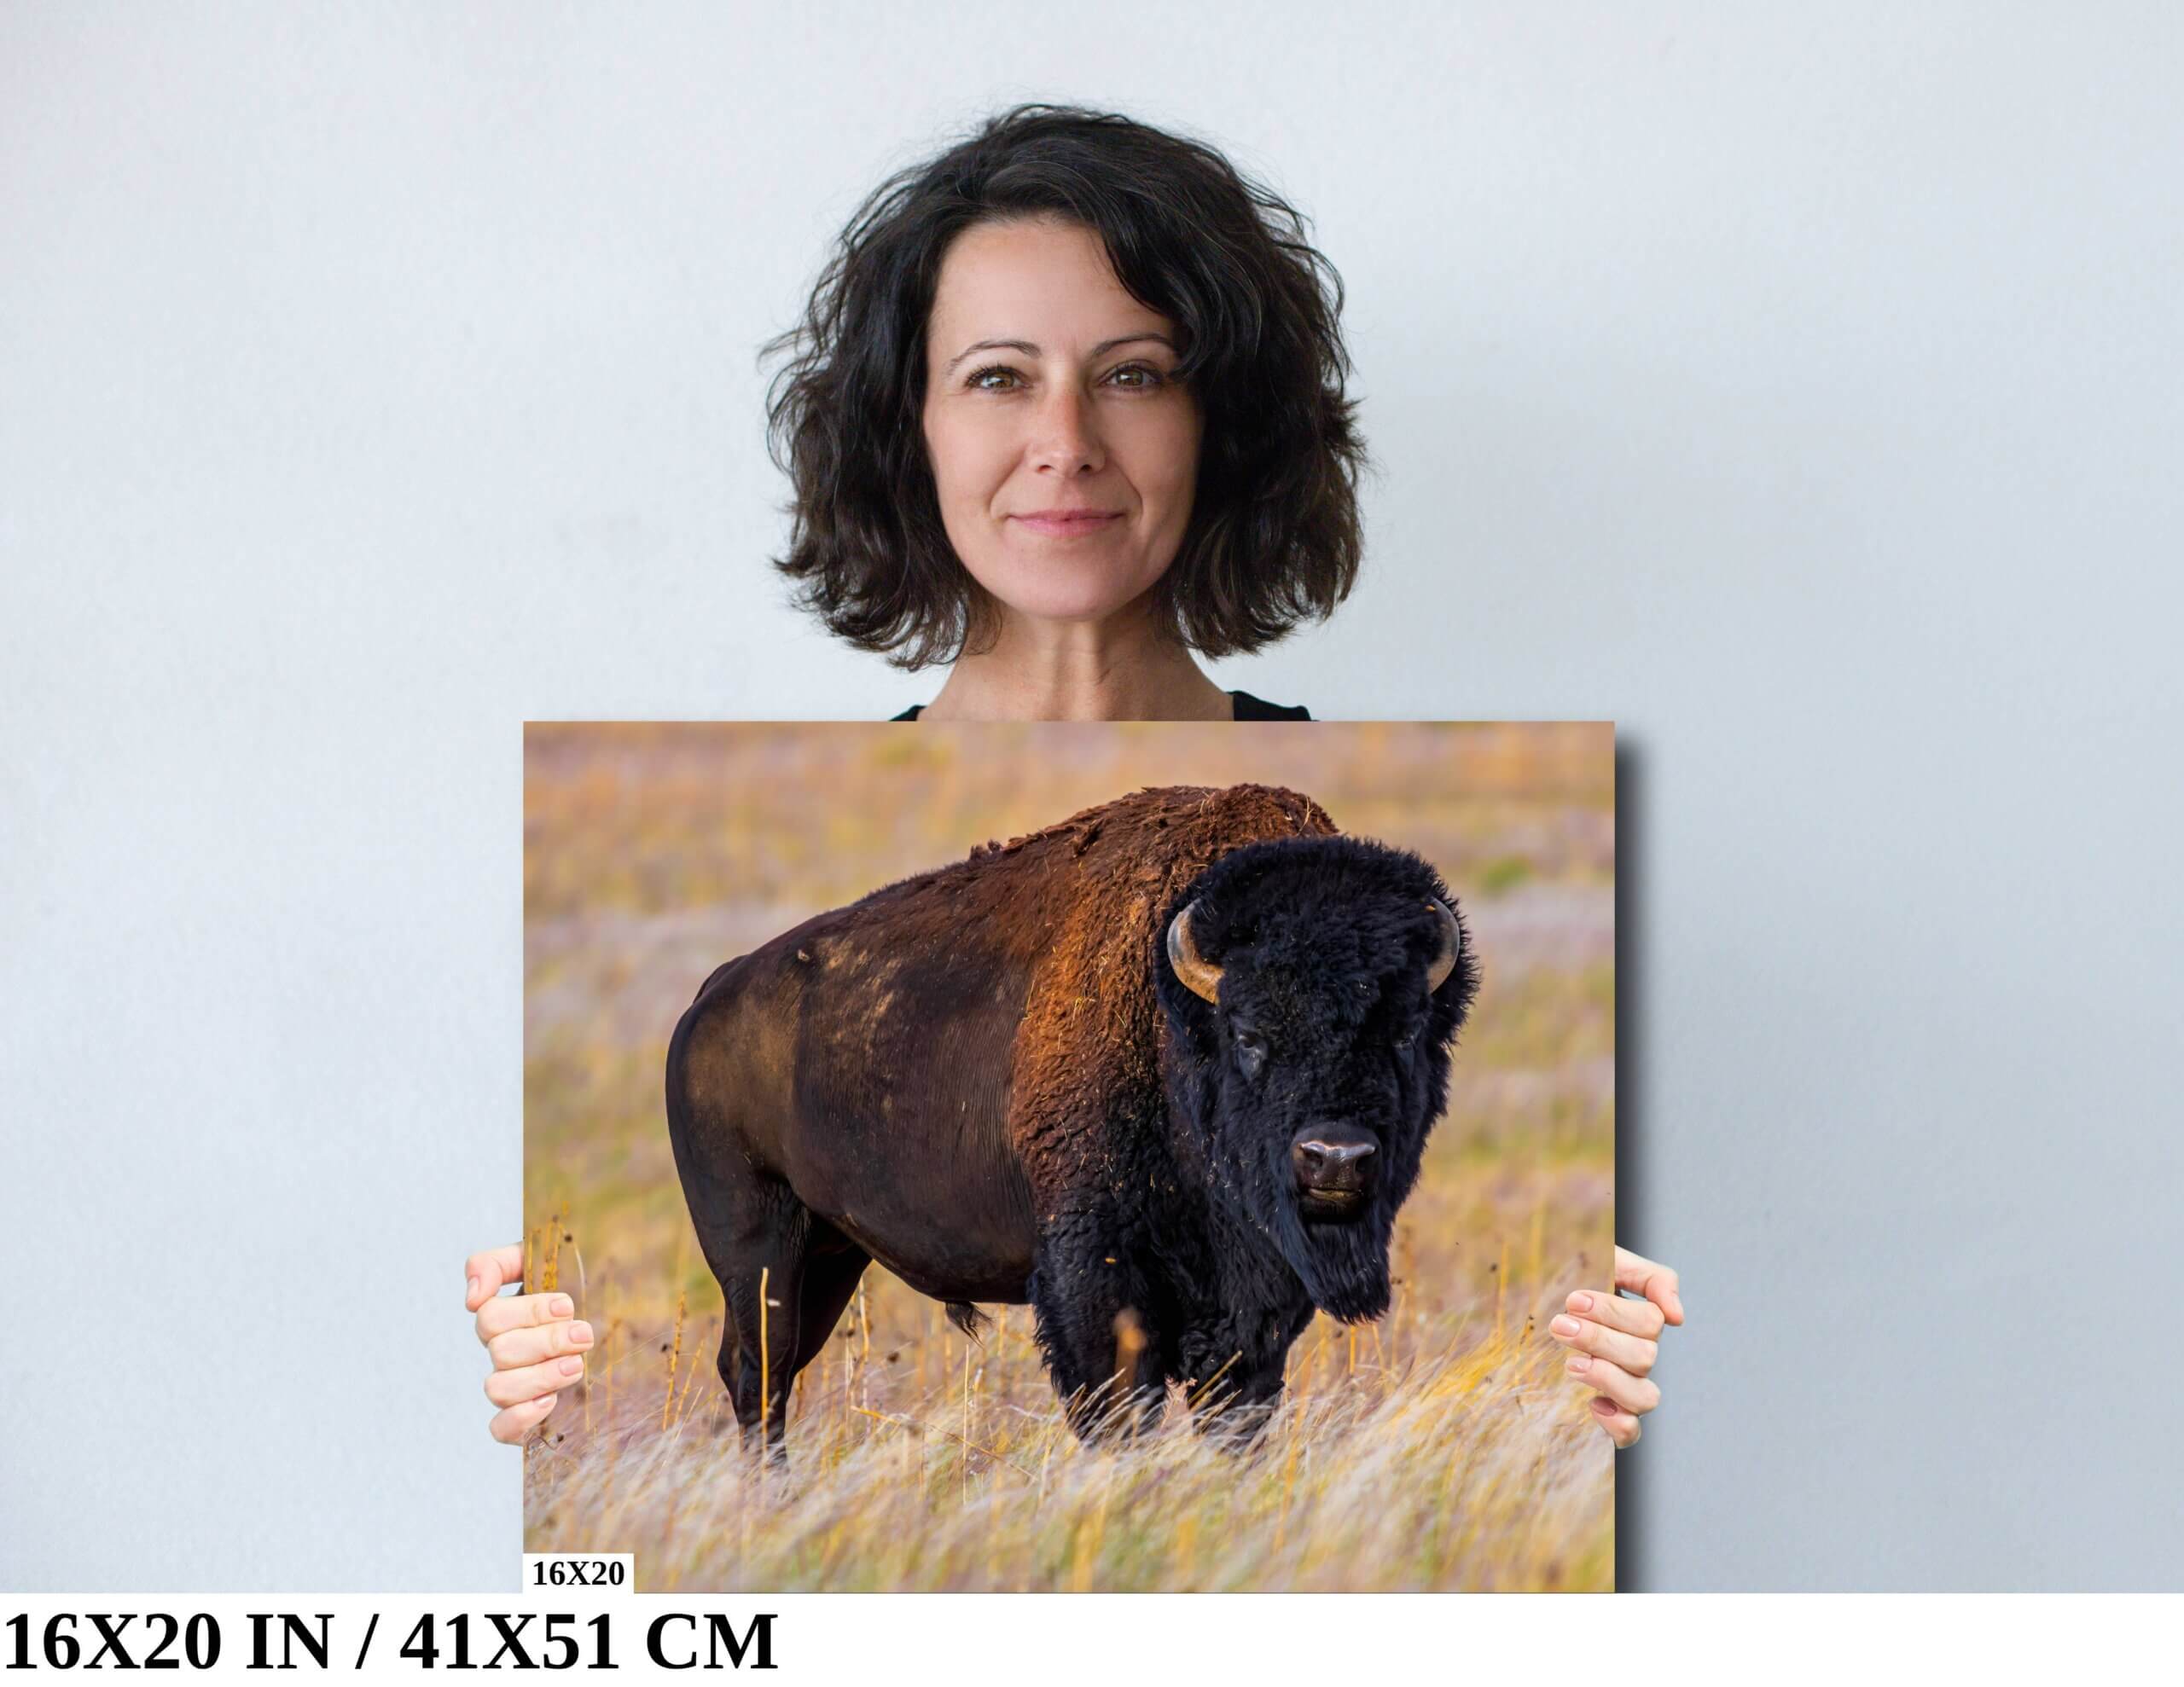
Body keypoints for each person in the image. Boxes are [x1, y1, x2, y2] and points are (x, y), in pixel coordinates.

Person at [469, 103, 1682, 1450]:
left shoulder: (1319, 865)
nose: (1068, 441)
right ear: (907, 428)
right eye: (997, 376)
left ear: (1222, 424)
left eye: (1136, 373)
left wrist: (1621, 1412)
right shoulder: (779, 1001)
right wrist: (541, 1433)